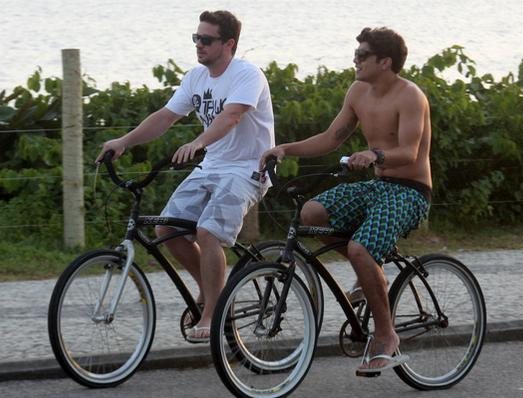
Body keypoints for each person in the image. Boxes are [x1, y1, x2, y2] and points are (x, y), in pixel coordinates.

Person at [259, 27, 431, 376]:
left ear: (385, 62)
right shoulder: (357, 91)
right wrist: (285, 149)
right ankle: (372, 275)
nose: (355, 59)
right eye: (357, 53)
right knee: (311, 213)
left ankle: (386, 337)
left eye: (362, 55)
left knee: (359, 250)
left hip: (410, 191)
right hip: (377, 185)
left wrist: (374, 155)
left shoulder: (410, 96)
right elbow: (331, 138)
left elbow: (410, 153)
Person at [97, 10, 275, 343]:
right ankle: (212, 291)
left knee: (207, 232)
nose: (199, 45)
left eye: (206, 40)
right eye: (196, 38)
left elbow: (232, 117)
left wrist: (198, 142)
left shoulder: (247, 75)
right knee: (168, 228)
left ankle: (211, 314)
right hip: (212, 166)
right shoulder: (195, 77)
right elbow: (165, 117)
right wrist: (123, 142)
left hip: (248, 169)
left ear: (229, 43)